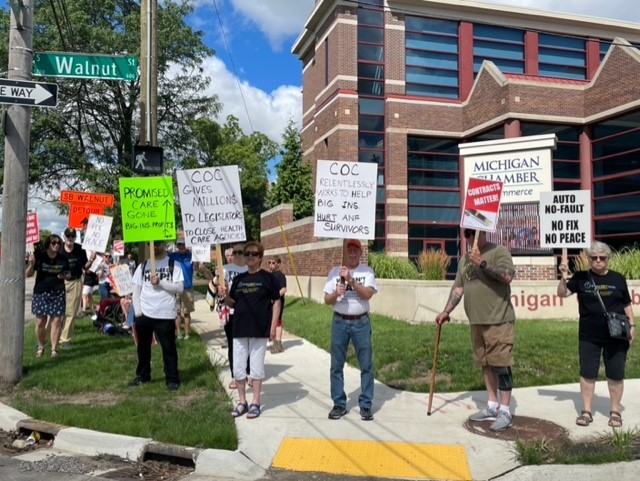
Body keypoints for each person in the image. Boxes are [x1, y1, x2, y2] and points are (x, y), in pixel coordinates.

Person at [436, 228, 516, 432]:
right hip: (477, 321)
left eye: (474, 233)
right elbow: (458, 288)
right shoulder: (464, 261)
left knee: (501, 364)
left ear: (484, 233)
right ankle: (492, 405)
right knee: (486, 364)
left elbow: (507, 277)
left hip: (498, 319)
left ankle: (505, 410)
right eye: (467, 235)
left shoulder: (499, 251)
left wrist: (482, 262)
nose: (470, 238)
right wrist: (446, 311)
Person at [557, 241, 636, 428]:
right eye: (594, 258)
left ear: (608, 259)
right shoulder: (581, 277)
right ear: (589, 259)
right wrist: (563, 276)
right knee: (587, 373)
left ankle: (615, 412)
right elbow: (562, 293)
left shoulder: (618, 279)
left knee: (616, 374)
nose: (598, 261)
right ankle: (586, 412)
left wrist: (632, 326)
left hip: (616, 334)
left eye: (602, 258)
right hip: (589, 335)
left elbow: (627, 305)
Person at [219, 241, 281, 419]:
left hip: (259, 329)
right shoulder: (239, 279)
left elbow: (276, 302)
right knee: (238, 368)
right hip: (239, 328)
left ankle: (255, 402)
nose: (250, 257)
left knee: (256, 368)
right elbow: (232, 303)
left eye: (254, 254)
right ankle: (242, 402)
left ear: (260, 257)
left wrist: (273, 327)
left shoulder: (269, 279)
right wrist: (226, 295)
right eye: (247, 254)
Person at [323, 239, 378, 421]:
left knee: (366, 365)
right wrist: (336, 293)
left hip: (361, 323)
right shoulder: (334, 273)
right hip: (339, 322)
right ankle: (339, 403)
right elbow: (327, 300)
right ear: (345, 253)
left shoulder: (366, 272)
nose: (352, 253)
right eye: (349, 250)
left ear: (360, 253)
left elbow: (368, 294)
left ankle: (366, 405)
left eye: (356, 250)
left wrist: (351, 281)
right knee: (336, 366)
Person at [129, 242, 184, 391]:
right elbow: (136, 290)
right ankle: (143, 375)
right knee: (143, 348)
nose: (155, 246)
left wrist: (161, 283)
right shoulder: (143, 266)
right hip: (145, 313)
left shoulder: (174, 264)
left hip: (165, 313)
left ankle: (172, 379)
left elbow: (179, 288)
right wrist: (139, 313)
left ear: (164, 245)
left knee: (168, 348)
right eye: (151, 244)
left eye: (158, 243)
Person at [201, 244, 248, 389]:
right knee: (233, 345)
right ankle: (236, 375)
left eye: (241, 252)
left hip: (247, 312)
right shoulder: (225, 269)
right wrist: (207, 273)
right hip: (230, 311)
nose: (237, 255)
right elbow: (213, 283)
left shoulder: (249, 269)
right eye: (235, 252)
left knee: (248, 344)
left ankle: (249, 373)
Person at [25, 234, 71, 359]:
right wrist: (31, 264)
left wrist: (63, 276)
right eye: (53, 243)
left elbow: (68, 274)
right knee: (40, 322)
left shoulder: (63, 259)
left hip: (58, 292)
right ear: (48, 244)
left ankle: (54, 349)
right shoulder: (39, 256)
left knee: (57, 321)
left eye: (58, 243)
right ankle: (41, 346)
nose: (56, 245)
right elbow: (28, 274)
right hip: (41, 292)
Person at [59, 227, 92, 347]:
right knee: (55, 313)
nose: (70, 238)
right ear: (64, 237)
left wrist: (92, 259)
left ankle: (64, 340)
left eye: (73, 236)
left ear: (75, 238)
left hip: (76, 282)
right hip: (59, 282)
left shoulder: (79, 249)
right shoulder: (59, 248)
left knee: (71, 312)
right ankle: (45, 339)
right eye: (68, 236)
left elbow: (85, 267)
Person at [169, 238, 195, 340]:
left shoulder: (192, 256)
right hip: (175, 287)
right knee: (177, 312)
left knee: (186, 312)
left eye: (183, 244)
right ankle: (179, 333)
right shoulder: (172, 256)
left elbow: (197, 267)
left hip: (187, 287)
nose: (181, 246)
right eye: (179, 245)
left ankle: (187, 333)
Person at [267, 255, 287, 353]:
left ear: (278, 264)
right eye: (269, 263)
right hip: (271, 303)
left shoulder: (280, 275)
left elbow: (283, 289)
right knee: (272, 321)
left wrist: (275, 296)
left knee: (278, 321)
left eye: (273, 263)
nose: (271, 265)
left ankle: (278, 344)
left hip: (278, 302)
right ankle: (274, 342)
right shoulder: (270, 275)